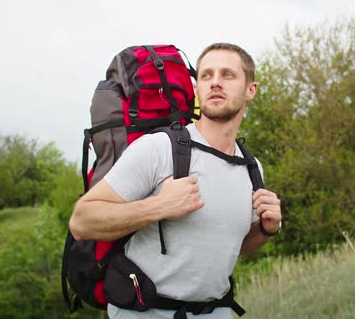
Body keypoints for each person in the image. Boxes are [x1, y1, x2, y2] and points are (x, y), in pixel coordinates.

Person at [69, 42, 282, 319]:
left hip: (216, 312)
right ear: (196, 88)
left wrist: (267, 229)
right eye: (206, 75)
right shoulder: (159, 149)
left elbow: (233, 247)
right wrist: (159, 206)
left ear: (250, 90)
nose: (215, 83)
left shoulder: (252, 168)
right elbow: (81, 222)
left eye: (228, 75)